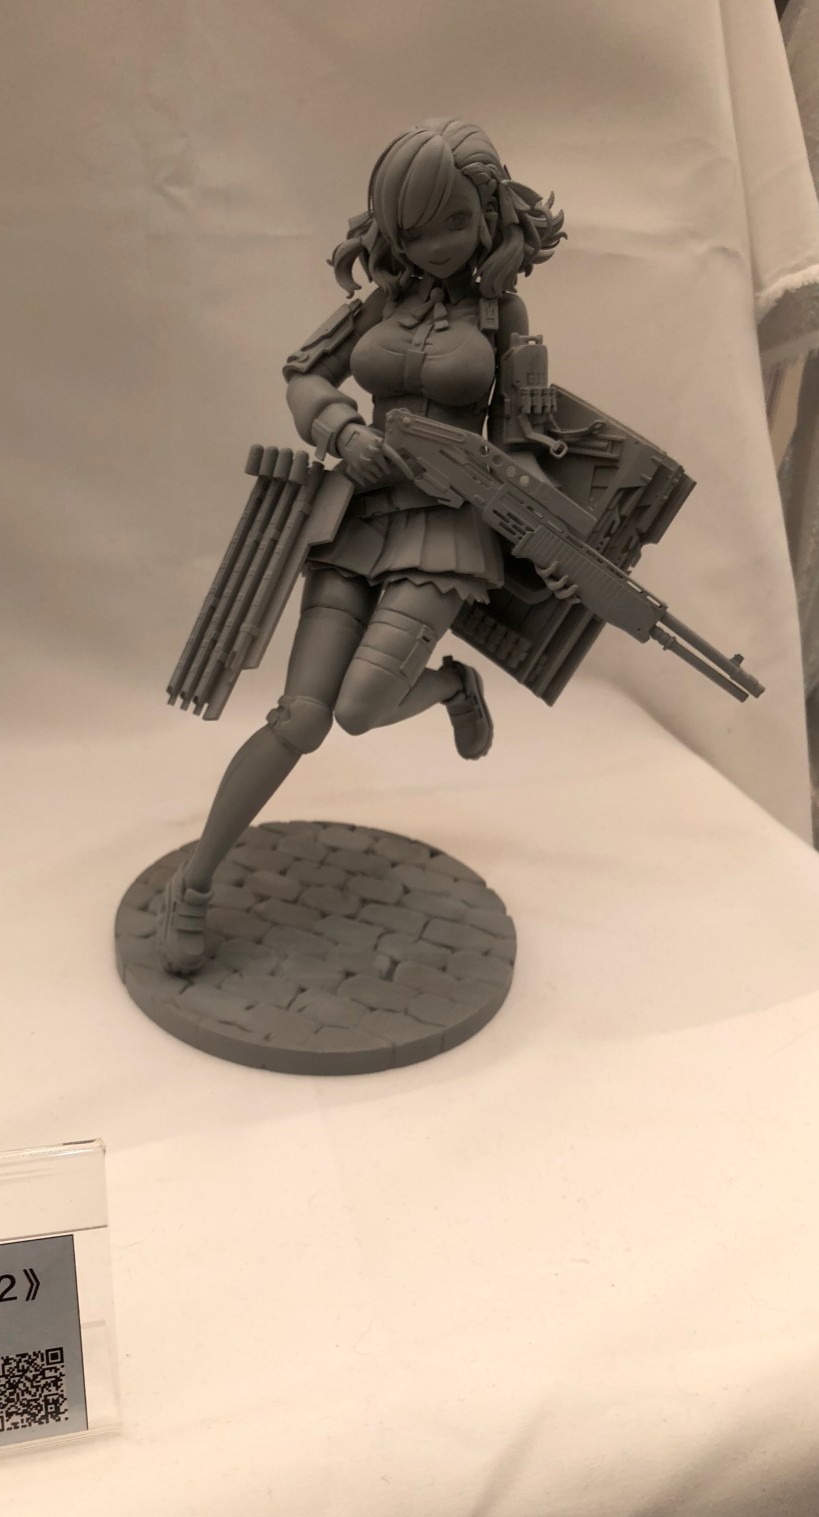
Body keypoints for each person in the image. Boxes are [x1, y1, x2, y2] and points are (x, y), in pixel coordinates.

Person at [158, 117, 565, 975]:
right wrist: (342, 430)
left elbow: (523, 439)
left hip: (445, 531)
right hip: (355, 516)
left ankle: (450, 684)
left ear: (489, 214)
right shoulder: (380, 303)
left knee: (360, 707)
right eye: (415, 230)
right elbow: (305, 373)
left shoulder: (503, 316)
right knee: (300, 717)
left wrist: (531, 510)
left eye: (454, 222)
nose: (437, 244)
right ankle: (192, 887)